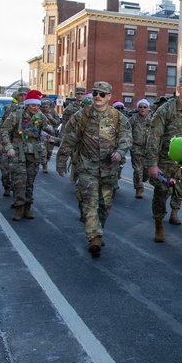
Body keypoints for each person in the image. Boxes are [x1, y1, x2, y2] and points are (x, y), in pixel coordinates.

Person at [56, 81, 132, 257]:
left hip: (109, 169)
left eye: (102, 94)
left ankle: (97, 229)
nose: (98, 97)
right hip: (87, 167)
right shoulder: (82, 116)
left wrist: (120, 152)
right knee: (90, 202)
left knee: (104, 206)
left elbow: (126, 137)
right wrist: (61, 162)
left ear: (109, 97)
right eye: (95, 93)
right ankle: (94, 237)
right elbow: (69, 140)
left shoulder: (117, 117)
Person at [145, 75, 182, 243]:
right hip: (167, 161)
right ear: (178, 89)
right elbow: (154, 137)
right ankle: (159, 225)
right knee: (162, 193)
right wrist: (152, 164)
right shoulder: (166, 109)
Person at [0, 90, 55, 221]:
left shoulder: (40, 116)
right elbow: (4, 131)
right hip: (18, 151)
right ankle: (19, 207)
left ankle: (28, 207)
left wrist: (49, 130)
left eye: (38, 105)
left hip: (34, 152)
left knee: (30, 181)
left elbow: (50, 128)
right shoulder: (16, 115)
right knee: (19, 180)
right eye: (33, 105)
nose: (36, 108)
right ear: (27, 104)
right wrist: (8, 147)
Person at [0, 86, 29, 198]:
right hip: (7, 142)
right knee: (5, 169)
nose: (23, 98)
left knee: (19, 173)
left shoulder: (33, 110)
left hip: (22, 145)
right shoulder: (9, 109)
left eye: (25, 95)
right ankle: (7, 186)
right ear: (17, 96)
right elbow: (1, 127)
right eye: (21, 95)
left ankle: (17, 194)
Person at [130, 99, 152, 199]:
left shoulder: (152, 119)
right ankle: (139, 189)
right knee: (138, 170)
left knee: (146, 171)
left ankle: (143, 179)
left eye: (145, 107)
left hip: (149, 149)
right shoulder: (133, 119)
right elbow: (127, 131)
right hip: (136, 148)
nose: (142, 109)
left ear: (148, 108)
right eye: (140, 107)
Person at [39, 97, 62, 174]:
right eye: (44, 107)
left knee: (49, 151)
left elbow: (58, 122)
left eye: (47, 107)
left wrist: (51, 118)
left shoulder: (53, 113)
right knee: (43, 150)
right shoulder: (39, 113)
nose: (45, 109)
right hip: (42, 135)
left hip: (51, 136)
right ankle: (44, 165)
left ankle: (46, 161)